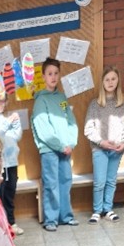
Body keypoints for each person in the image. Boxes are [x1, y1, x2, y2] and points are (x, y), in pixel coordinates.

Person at [31, 57, 79, 231]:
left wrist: (71, 143)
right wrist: (60, 145)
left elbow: (71, 122)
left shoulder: (61, 97)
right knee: (51, 184)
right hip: (49, 150)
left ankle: (66, 216)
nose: (53, 77)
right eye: (49, 74)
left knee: (65, 182)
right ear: (43, 76)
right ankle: (50, 220)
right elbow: (43, 129)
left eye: (56, 73)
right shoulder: (40, 100)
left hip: (65, 149)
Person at [84, 66, 124, 223]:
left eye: (113, 79)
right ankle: (97, 210)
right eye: (107, 79)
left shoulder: (123, 104)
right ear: (102, 82)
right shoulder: (95, 104)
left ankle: (108, 209)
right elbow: (88, 129)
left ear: (118, 81)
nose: (110, 82)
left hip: (116, 150)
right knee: (100, 181)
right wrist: (101, 142)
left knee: (111, 181)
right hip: (99, 149)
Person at [0, 98, 24, 235]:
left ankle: (11, 222)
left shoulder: (5, 118)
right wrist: (8, 122)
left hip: (12, 163)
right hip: (0, 165)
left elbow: (16, 136)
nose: (2, 104)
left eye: (4, 101)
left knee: (10, 194)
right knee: (0, 196)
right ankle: (1, 225)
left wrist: (17, 123)